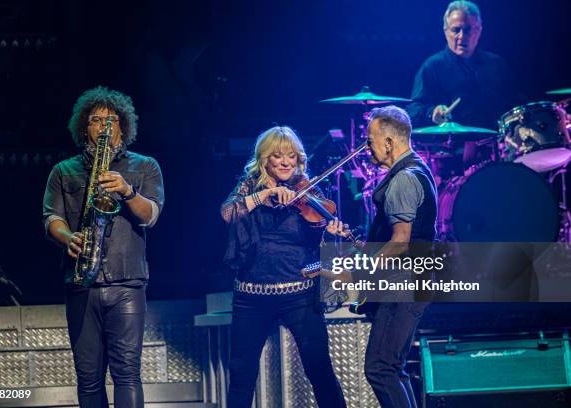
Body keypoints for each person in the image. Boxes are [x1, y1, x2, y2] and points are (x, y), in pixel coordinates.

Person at [42, 86, 164, 408]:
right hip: (81, 282)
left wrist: (126, 191)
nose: (104, 125)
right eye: (96, 120)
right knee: (88, 378)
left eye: (111, 120)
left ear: (123, 126)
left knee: (127, 373)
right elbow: (50, 217)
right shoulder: (63, 171)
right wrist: (68, 238)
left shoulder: (145, 166)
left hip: (126, 282)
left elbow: (151, 216)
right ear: (85, 127)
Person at [221, 126, 346, 408]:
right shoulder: (249, 186)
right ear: (264, 159)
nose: (286, 162)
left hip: (299, 294)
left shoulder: (308, 188)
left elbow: (319, 234)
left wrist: (330, 231)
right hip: (251, 297)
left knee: (320, 371)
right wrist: (262, 197)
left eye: (292, 156)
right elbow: (227, 212)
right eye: (278, 156)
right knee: (241, 376)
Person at [329, 106, 437, 408]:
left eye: (370, 140)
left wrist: (358, 272)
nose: (367, 148)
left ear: (389, 142)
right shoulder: (418, 169)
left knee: (380, 368)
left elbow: (401, 243)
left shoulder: (403, 179)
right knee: (391, 368)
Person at [407, 1, 522, 129]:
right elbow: (413, 111)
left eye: (468, 30)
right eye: (456, 30)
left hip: (495, 145)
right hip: (451, 146)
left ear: (479, 31)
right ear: (445, 31)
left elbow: (517, 106)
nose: (462, 36)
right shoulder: (433, 66)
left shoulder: (496, 65)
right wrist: (432, 112)